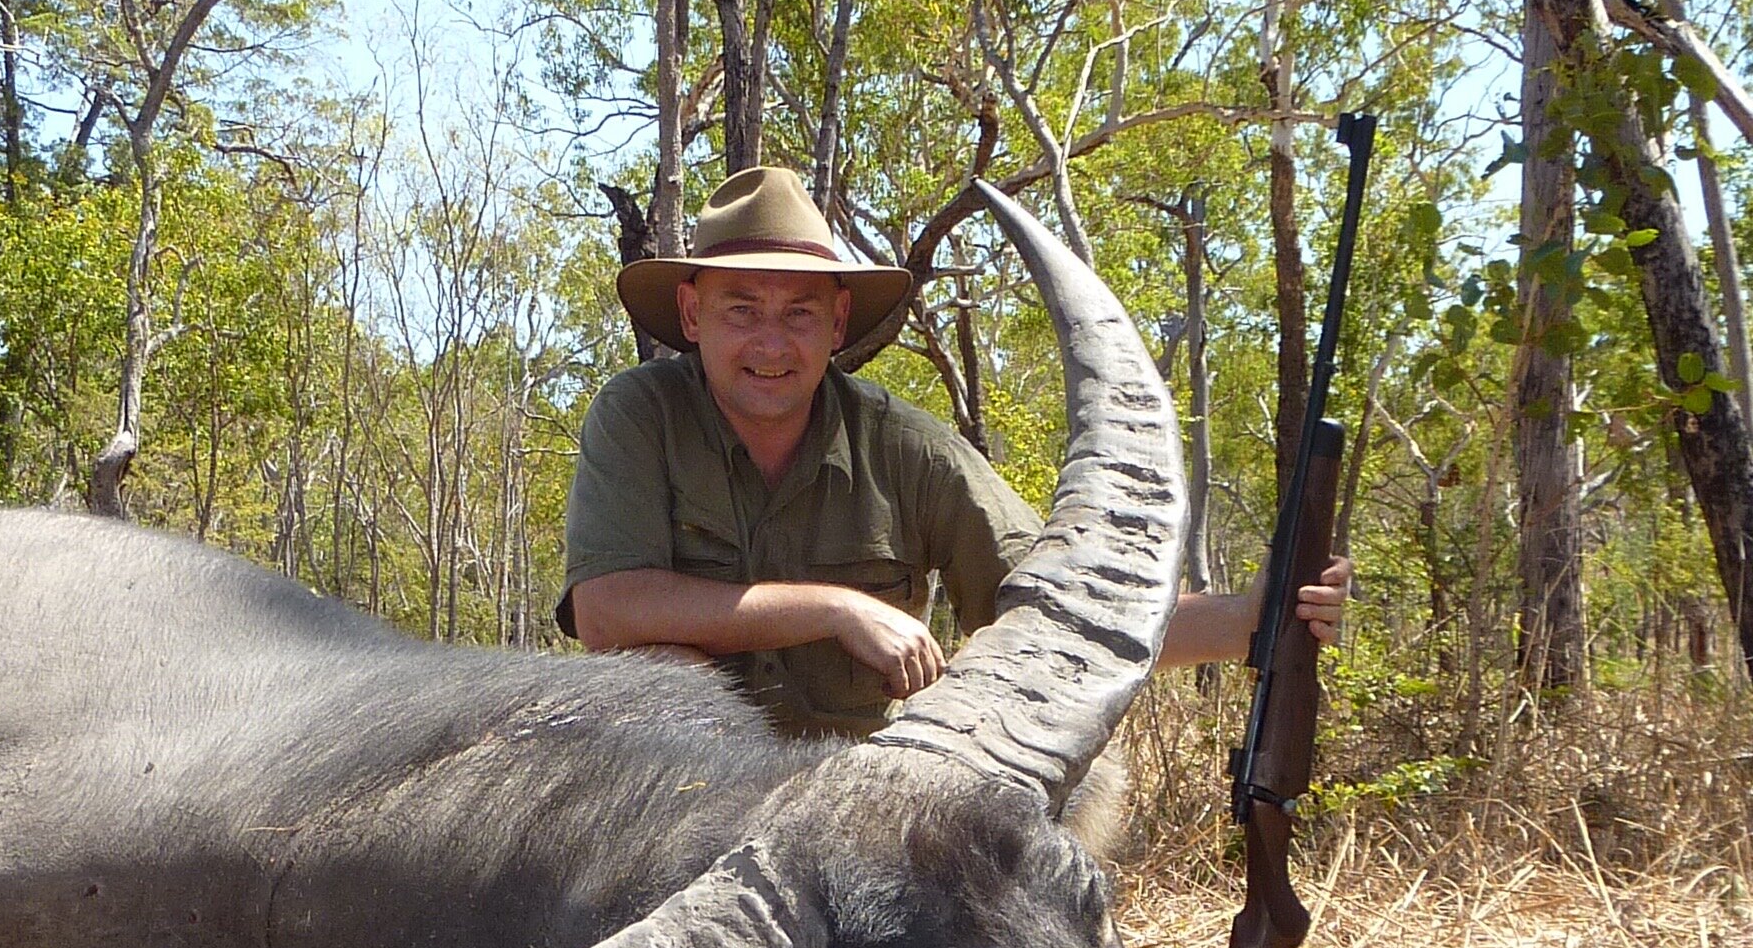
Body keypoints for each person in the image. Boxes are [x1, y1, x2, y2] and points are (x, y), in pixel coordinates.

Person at [559, 166, 1350, 738]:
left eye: (800, 312)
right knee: (659, 684)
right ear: (693, 315)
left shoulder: (904, 446)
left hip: (856, 798)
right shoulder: (639, 416)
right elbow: (607, 611)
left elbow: (1059, 616)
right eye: (742, 309)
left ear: (838, 325)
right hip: (677, 806)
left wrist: (1254, 618)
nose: (772, 343)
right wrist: (839, 608)